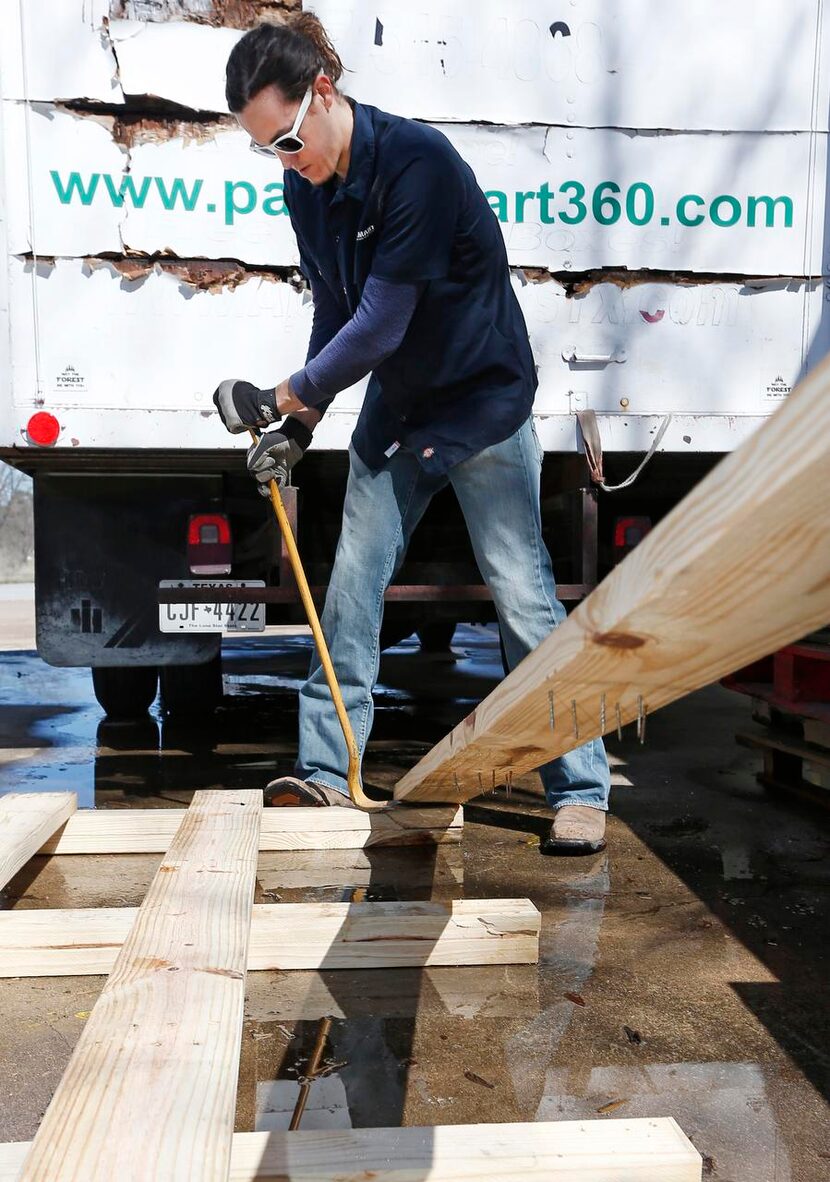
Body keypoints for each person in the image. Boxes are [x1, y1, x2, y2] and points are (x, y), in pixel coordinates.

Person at [214, 14, 610, 853]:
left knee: (522, 591)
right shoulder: (306, 184)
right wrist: (303, 422)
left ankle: (581, 788)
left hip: (481, 406)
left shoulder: (418, 165)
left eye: (287, 138)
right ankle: (326, 772)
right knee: (351, 585)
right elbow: (336, 307)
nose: (287, 160)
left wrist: (279, 393)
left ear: (323, 92)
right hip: (400, 408)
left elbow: (383, 322)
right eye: (267, 150)